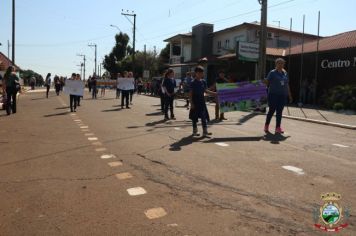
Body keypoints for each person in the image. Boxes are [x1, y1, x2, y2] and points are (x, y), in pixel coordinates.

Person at [264, 58, 293, 134]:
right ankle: (266, 125)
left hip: (282, 95)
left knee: (279, 112)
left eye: (282, 63)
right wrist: (264, 82)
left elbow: (287, 85)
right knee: (271, 110)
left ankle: (278, 127)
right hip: (273, 95)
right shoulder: (272, 73)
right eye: (279, 63)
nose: (280, 65)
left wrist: (289, 95)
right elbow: (267, 83)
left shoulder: (285, 73)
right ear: (276, 64)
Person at [189, 66, 216, 137]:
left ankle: (205, 131)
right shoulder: (193, 82)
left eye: (202, 73)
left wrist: (215, 93)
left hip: (202, 101)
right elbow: (190, 94)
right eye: (200, 73)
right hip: (195, 101)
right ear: (196, 73)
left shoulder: (203, 81)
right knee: (194, 117)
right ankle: (195, 131)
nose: (201, 74)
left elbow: (205, 90)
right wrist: (191, 103)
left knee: (204, 116)